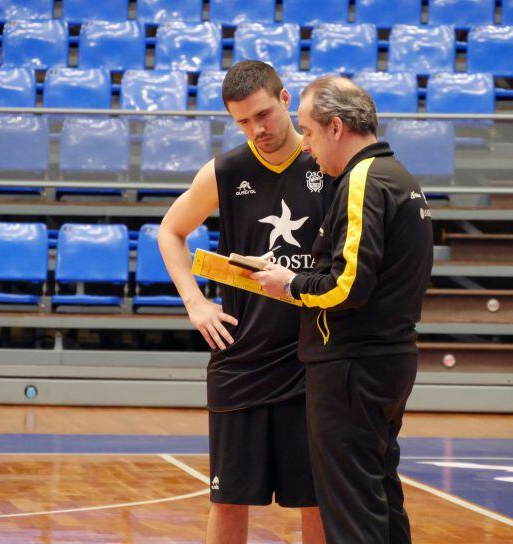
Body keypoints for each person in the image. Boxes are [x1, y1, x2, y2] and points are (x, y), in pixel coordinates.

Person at [253, 76, 434, 544]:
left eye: (308, 132)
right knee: (378, 497)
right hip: (389, 359)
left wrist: (288, 282)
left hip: (352, 365)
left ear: (336, 127)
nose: (307, 147)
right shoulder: (402, 179)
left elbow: (348, 285)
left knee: (352, 510)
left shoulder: (362, 181)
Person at [157, 61, 332, 544]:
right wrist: (195, 304)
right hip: (242, 358)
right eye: (242, 122)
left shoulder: (328, 164)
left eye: (262, 115)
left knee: (315, 501)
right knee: (228, 499)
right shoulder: (226, 170)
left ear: (285, 99)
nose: (257, 130)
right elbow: (170, 232)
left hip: (311, 359)